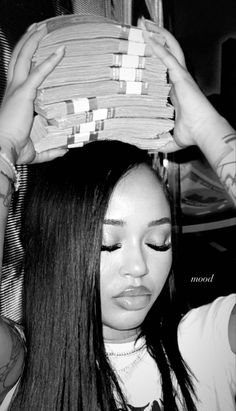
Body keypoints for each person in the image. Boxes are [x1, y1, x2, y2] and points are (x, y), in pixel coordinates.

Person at [0, 19, 235, 411]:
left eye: (158, 242)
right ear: (56, 239)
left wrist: (211, 131)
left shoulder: (207, 345)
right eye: (109, 243)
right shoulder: (15, 368)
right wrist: (3, 147)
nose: (139, 267)